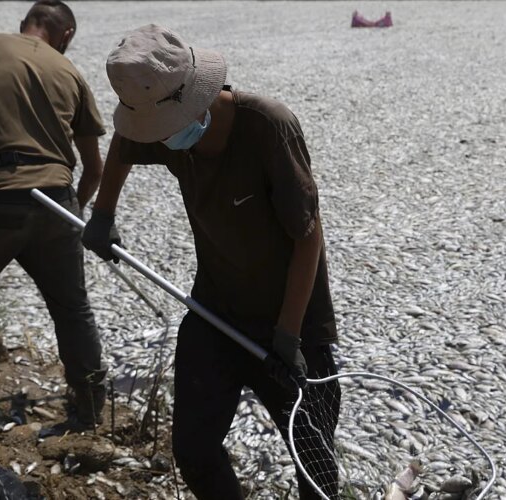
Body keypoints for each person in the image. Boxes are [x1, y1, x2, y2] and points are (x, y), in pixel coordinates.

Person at [83, 24, 341, 499]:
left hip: (295, 322)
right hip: (215, 312)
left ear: (197, 99)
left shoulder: (267, 126)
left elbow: (308, 237)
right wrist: (103, 214)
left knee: (314, 461)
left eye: (163, 130)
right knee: (195, 449)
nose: (159, 140)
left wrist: (288, 334)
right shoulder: (162, 128)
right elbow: (122, 144)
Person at [0, 0, 107, 427]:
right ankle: (88, 408)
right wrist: (73, 213)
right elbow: (95, 167)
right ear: (65, 35)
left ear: (25, 22)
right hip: (59, 200)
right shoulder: (71, 73)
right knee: (71, 307)